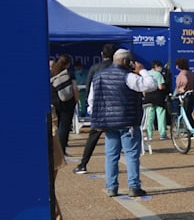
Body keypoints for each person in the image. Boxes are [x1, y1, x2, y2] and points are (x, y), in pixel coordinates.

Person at [88, 49, 159, 197]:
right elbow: (151, 85)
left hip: (108, 122)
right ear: (126, 62)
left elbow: (92, 101)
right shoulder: (128, 76)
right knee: (131, 154)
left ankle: (111, 187)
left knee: (111, 155)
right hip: (127, 120)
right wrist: (143, 71)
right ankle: (134, 186)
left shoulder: (99, 76)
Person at [73, 44, 119, 174]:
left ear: (102, 54)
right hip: (117, 108)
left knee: (93, 137)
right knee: (123, 138)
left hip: (100, 109)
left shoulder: (95, 68)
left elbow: (89, 88)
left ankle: (83, 164)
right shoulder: (119, 68)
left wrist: (91, 106)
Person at [50, 55, 78, 154]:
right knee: (64, 128)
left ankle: (53, 149)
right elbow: (75, 89)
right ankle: (61, 150)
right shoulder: (70, 74)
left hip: (54, 101)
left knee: (54, 127)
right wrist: (76, 101)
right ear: (68, 64)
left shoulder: (52, 74)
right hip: (67, 103)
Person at [141, 61, 169, 143]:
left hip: (148, 97)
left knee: (149, 117)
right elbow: (161, 87)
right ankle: (163, 134)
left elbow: (143, 88)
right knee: (161, 115)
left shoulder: (146, 74)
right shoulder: (158, 75)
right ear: (156, 66)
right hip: (158, 96)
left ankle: (149, 135)